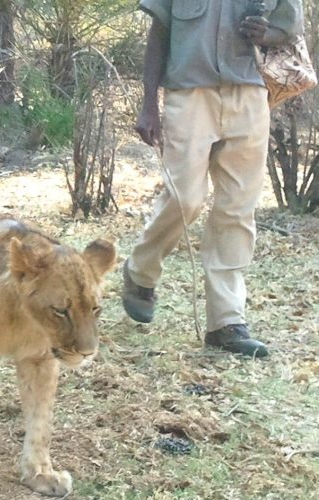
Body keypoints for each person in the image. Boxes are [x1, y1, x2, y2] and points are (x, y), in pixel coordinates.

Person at [122, 0, 304, 358]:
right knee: (183, 197)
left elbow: (289, 26)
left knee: (236, 210)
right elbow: (159, 31)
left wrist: (266, 34)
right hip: (189, 95)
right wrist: (148, 104)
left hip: (250, 94)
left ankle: (226, 322)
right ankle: (140, 272)